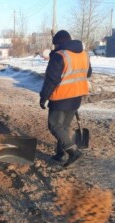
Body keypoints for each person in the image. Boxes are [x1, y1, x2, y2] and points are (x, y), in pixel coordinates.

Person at [39, 30, 92, 167]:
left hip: (61, 96)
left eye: (55, 44)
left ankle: (73, 152)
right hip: (77, 95)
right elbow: (88, 73)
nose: (55, 47)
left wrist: (43, 97)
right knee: (64, 126)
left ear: (59, 43)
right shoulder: (83, 55)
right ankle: (60, 154)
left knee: (55, 125)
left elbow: (52, 79)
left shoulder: (60, 56)